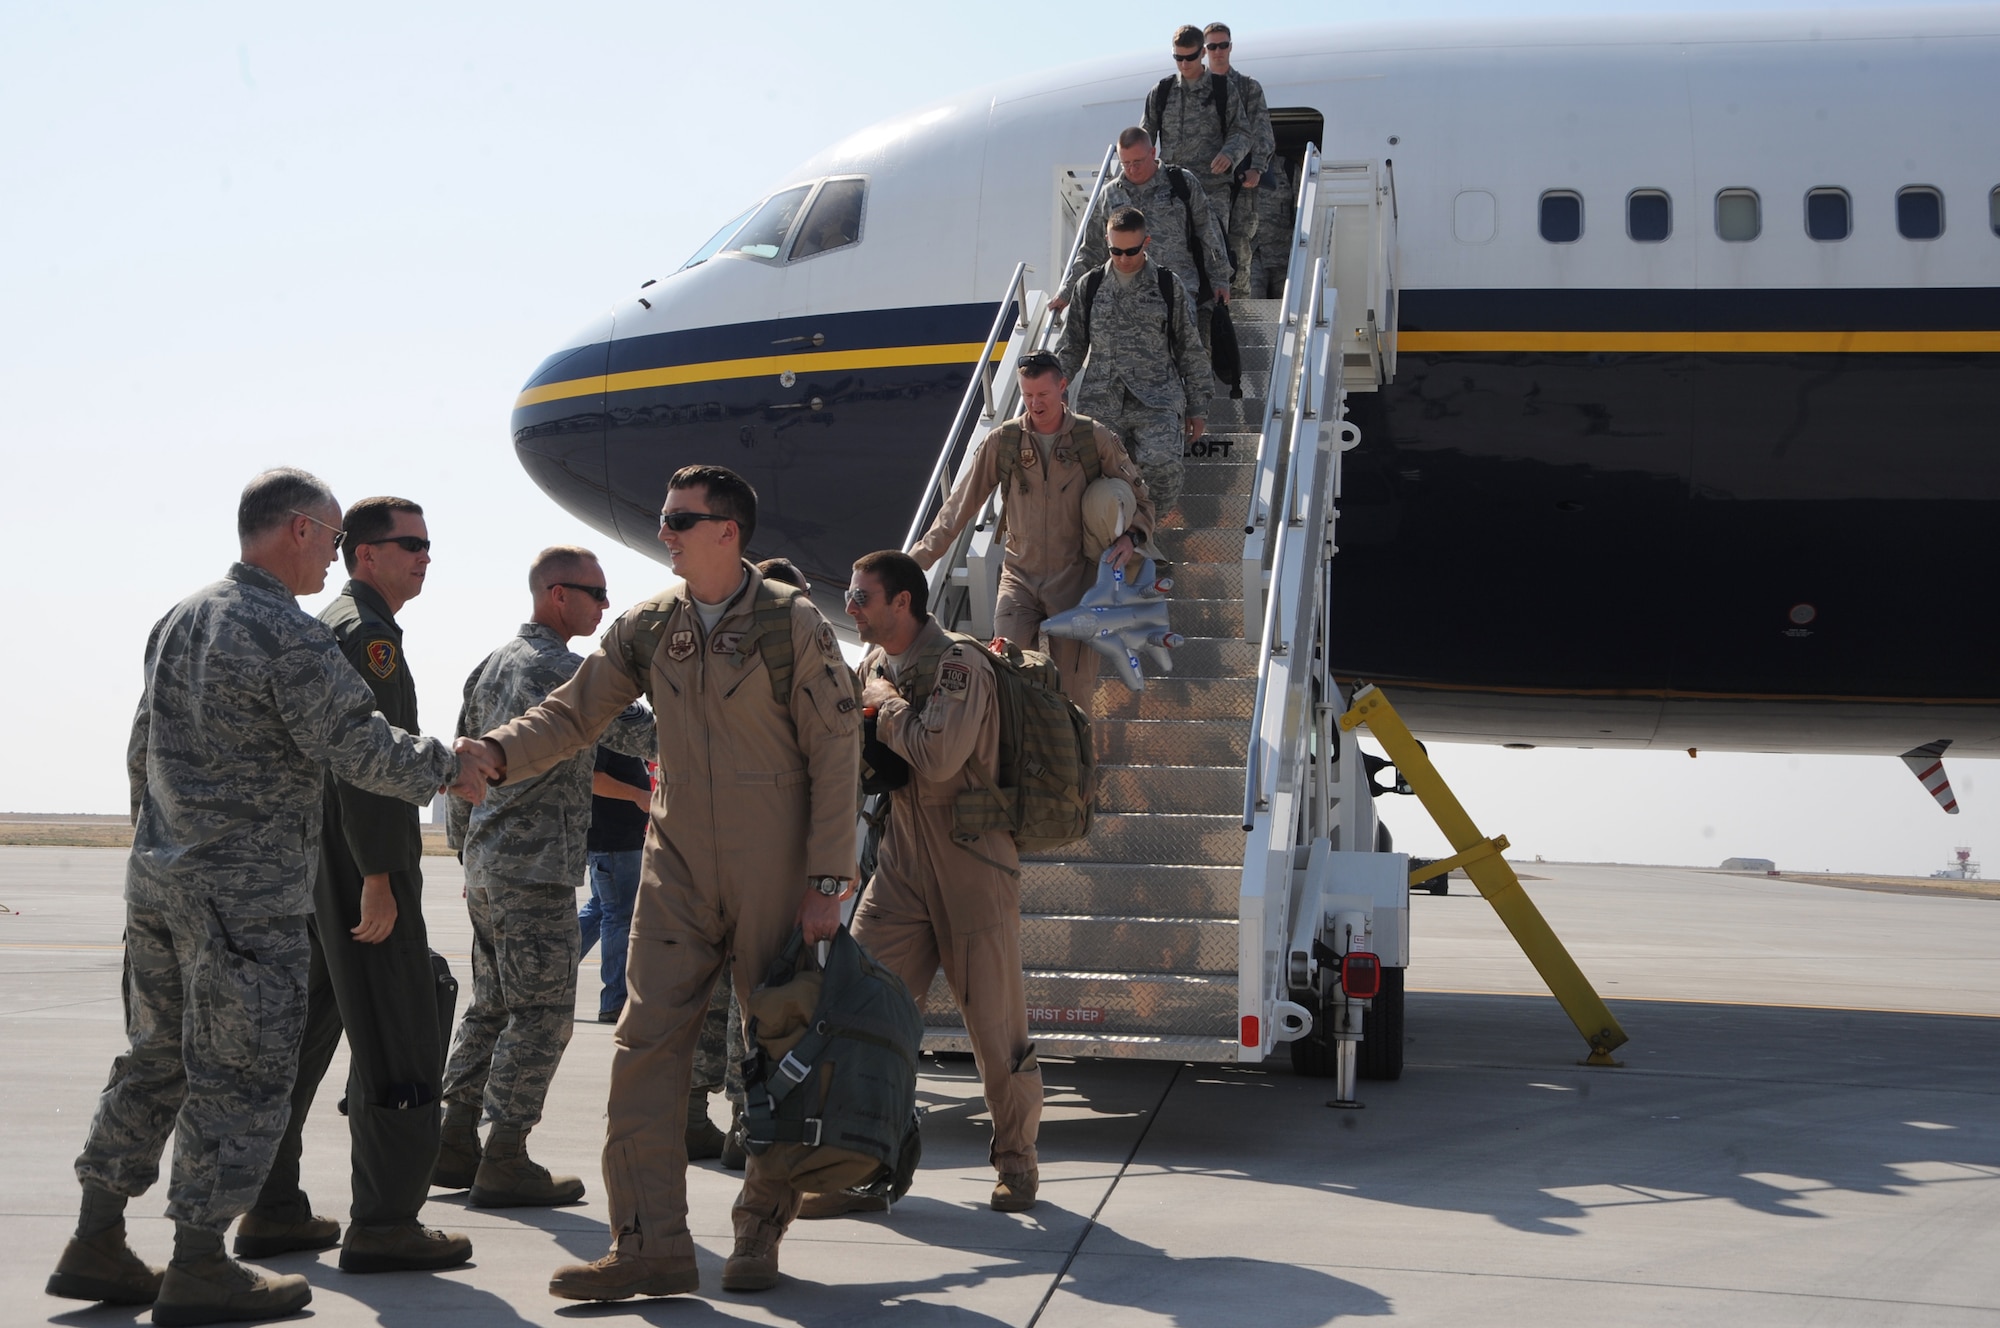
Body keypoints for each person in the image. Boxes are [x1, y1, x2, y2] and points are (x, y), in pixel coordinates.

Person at [49, 467, 492, 1326]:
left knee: (154, 1063)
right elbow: (356, 747)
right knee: (240, 1078)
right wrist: (451, 766)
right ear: (295, 530)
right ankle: (200, 1263)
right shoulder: (284, 634)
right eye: (331, 540)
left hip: (162, 886)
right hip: (244, 902)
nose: (333, 558)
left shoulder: (182, 618)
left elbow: (141, 751)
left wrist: (160, 850)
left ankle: (96, 1235)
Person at [469, 465, 860, 1301]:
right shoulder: (650, 625)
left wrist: (829, 878)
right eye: (664, 517)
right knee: (644, 1051)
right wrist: (497, 754)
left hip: (777, 863)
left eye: (681, 520)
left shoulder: (793, 625)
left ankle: (758, 1231)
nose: (664, 532)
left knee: (780, 1051)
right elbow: (574, 713)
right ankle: (649, 1245)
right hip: (676, 862)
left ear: (729, 531)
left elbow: (836, 753)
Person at [239, 496, 472, 1276]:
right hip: (357, 860)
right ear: (364, 553)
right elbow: (365, 766)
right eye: (411, 544)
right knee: (399, 1026)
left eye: (429, 545)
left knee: (301, 1039)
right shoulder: (364, 633)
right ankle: (385, 1222)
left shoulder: (342, 623)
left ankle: (270, 1207)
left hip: (315, 862)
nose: (425, 556)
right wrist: (378, 875)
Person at [803, 551, 1041, 1218]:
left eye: (861, 597)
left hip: (972, 858)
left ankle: (1017, 1166)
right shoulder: (874, 665)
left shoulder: (960, 663)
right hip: (902, 858)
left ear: (902, 602)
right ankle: (854, 1168)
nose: (850, 607)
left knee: (995, 1026)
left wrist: (885, 707)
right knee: (857, 1008)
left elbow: (938, 758)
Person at [439, 547, 655, 1209]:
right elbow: (644, 739)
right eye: (595, 593)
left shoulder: (492, 664)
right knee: (542, 1018)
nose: (604, 605)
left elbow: (459, 767)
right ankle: (504, 1154)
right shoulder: (566, 670)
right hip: (534, 873)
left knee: (491, 1008)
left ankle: (452, 1141)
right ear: (557, 596)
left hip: (489, 867)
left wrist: (466, 854)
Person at [910, 350, 1157, 711]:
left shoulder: (1094, 438)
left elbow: (1142, 499)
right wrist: (914, 562)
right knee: (1005, 682)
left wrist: (1131, 536)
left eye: (1042, 395)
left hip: (1076, 580)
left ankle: (1077, 767)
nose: (1034, 404)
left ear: (1062, 387)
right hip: (1020, 579)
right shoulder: (1005, 441)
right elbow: (959, 507)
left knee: (1074, 696)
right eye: (1027, 395)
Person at [1055, 207, 1214, 522]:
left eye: (1132, 250)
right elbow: (1072, 344)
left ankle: (1143, 535)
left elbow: (1189, 348)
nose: (1124, 257)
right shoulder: (1089, 286)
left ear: (1147, 243)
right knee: (1093, 475)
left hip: (1157, 397)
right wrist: (1057, 385)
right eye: (1116, 251)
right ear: (1107, 243)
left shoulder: (1168, 285)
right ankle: (1109, 545)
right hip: (1102, 399)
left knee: (1163, 468)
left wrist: (1198, 405)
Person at [1054, 127, 1231, 354]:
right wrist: (1067, 291)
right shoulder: (1110, 195)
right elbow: (1091, 250)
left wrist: (1220, 278)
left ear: (1153, 152)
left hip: (1179, 290)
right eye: (1125, 162)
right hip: (1128, 297)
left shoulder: (1182, 184)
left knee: (1186, 356)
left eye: (1138, 161)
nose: (1132, 169)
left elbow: (1209, 232)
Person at [1142, 23, 1251, 290]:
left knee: (1213, 249)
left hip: (1211, 185)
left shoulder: (1222, 89)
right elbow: (1146, 133)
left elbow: (1242, 132)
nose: (1184, 63)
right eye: (1178, 57)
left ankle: (1218, 309)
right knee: (1169, 249)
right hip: (1171, 187)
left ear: (1202, 53)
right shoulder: (1162, 92)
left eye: (1190, 57)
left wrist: (1229, 154)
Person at [1203, 23, 1277, 301]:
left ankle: (1239, 309)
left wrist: (1257, 167)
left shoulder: (1247, 87)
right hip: (1205, 183)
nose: (1218, 51)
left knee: (1240, 244)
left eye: (1223, 45)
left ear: (1230, 47)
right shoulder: (1195, 89)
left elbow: (1262, 131)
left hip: (1240, 181)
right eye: (1212, 46)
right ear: (1204, 50)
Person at [580, 746, 650, 1023]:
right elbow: (593, 778)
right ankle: (614, 1002)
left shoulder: (625, 724)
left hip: (621, 842)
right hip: (613, 844)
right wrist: (638, 794)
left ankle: (543, 973)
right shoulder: (607, 727)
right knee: (618, 917)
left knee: (602, 911)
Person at [1251, 152, 1295, 298]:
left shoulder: (1288, 169)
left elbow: (1301, 210)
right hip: (1253, 253)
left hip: (1283, 254)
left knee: (1288, 308)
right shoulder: (1241, 170)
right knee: (1252, 305)